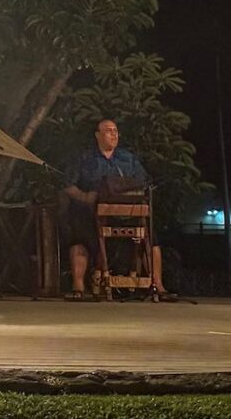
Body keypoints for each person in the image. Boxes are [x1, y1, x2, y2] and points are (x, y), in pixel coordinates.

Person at [61, 118, 169, 299]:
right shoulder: (85, 159)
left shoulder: (127, 159)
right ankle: (78, 287)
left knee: (151, 236)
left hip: (125, 212)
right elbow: (67, 185)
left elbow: (145, 183)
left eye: (116, 130)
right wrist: (85, 197)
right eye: (108, 130)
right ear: (97, 135)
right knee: (79, 233)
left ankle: (157, 285)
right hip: (91, 211)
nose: (114, 134)